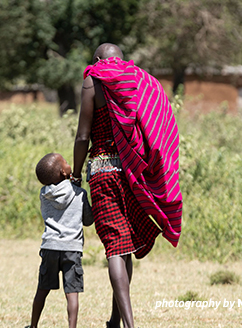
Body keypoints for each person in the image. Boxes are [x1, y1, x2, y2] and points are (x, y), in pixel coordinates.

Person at [73, 43, 183, 328]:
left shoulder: (93, 80)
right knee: (125, 244)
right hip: (132, 174)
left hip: (103, 173)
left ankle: (129, 324)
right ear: (122, 60)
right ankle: (114, 320)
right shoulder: (137, 81)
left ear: (97, 60)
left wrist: (75, 173)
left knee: (114, 247)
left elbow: (83, 136)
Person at [27, 153, 94, 328]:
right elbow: (88, 220)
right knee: (72, 293)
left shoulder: (44, 193)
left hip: (50, 246)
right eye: (65, 162)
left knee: (42, 289)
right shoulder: (79, 193)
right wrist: (79, 191)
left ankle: (33, 325)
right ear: (63, 172)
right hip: (72, 248)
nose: (67, 162)